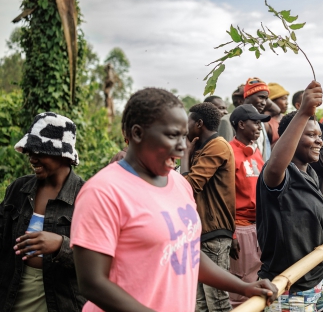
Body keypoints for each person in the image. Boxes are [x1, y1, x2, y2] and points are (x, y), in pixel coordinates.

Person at [71, 88, 277, 312]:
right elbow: (92, 283)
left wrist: (245, 287)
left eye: (183, 135)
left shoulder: (179, 184)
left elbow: (188, 252)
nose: (182, 146)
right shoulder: (103, 192)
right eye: (171, 136)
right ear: (137, 133)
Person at [257, 81, 323, 312]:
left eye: (319, 135)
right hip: (293, 286)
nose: (320, 140)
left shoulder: (310, 173)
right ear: (291, 139)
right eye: (311, 135)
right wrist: (304, 112)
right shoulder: (277, 175)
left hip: (319, 277)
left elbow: (299, 221)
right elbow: (274, 167)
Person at [0, 112, 86, 311]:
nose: (32, 158)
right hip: (12, 296)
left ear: (63, 154)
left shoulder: (86, 196)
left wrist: (60, 245)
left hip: (60, 301)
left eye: (40, 152)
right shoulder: (19, 189)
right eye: (30, 151)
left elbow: (99, 261)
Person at [180, 102, 236, 312]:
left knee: (217, 301)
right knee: (200, 303)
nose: (185, 127)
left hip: (214, 233)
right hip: (200, 232)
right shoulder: (202, 147)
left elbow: (189, 186)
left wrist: (185, 155)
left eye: (188, 122)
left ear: (199, 123)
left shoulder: (218, 146)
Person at [228, 105, 271, 306]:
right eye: (255, 122)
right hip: (241, 229)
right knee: (241, 289)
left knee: (256, 282)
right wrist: (232, 234)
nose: (259, 126)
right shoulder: (228, 152)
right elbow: (224, 197)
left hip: (259, 228)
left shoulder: (256, 153)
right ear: (241, 124)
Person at [243, 78, 272, 161]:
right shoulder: (232, 120)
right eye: (261, 97)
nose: (264, 103)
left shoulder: (261, 123)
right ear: (248, 96)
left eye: (266, 99)